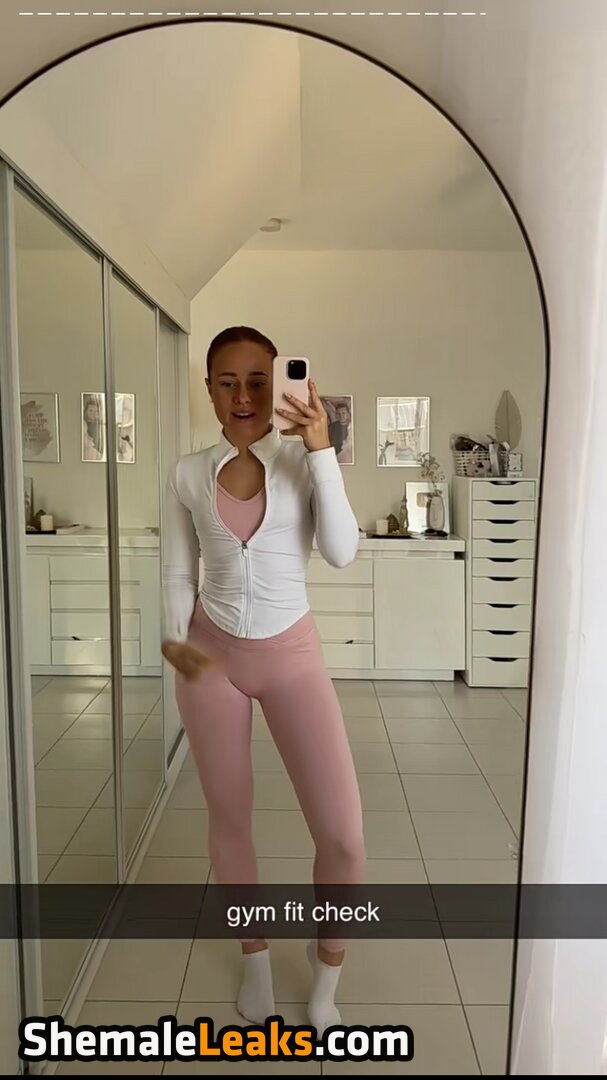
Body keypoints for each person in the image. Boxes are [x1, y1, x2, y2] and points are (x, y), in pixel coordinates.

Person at [161, 326, 366, 1035]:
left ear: (278, 384)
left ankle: (326, 972)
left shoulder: (303, 460)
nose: (243, 396)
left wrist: (322, 453)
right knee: (230, 820)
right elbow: (178, 570)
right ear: (209, 388)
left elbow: (341, 552)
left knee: (343, 837)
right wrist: (178, 648)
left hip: (292, 658)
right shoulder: (188, 472)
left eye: (258, 380)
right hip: (210, 661)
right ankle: (254, 960)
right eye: (228, 381)